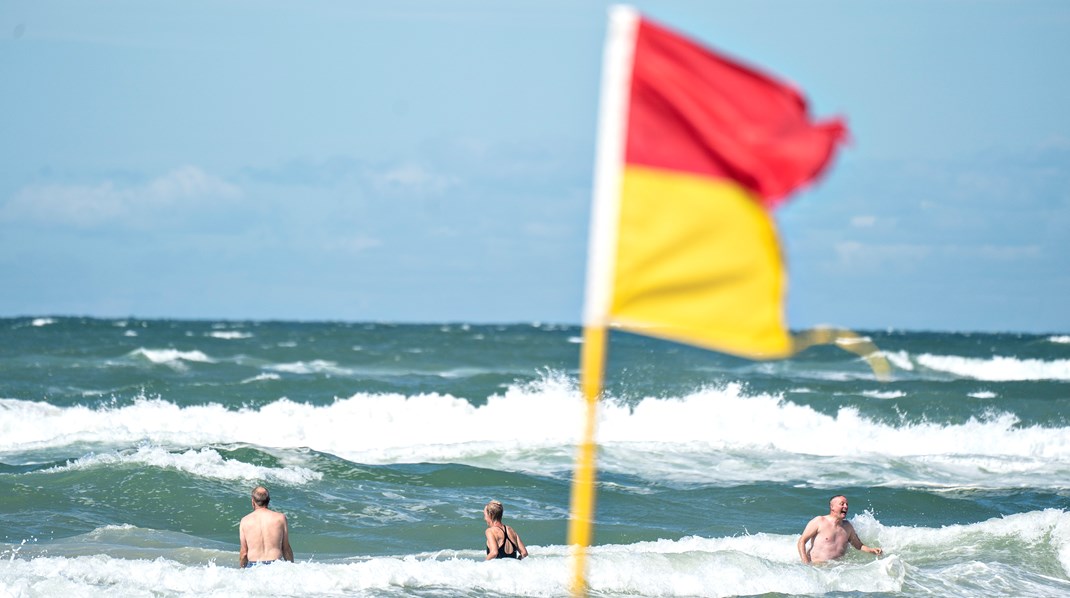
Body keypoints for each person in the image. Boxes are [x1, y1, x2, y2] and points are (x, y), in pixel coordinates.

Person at [797, 495, 882, 564]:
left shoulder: (847, 526)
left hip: (836, 571)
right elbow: (802, 541)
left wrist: (872, 550)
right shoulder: (819, 521)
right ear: (832, 507)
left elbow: (858, 545)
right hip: (816, 568)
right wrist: (806, 564)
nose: (846, 506)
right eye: (842, 504)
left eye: (847, 504)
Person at [239, 485, 295, 568]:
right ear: (268, 500)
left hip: (254, 566)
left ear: (253, 501)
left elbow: (244, 553)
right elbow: (286, 549)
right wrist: (292, 569)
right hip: (275, 565)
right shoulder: (280, 518)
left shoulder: (245, 521)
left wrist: (242, 571)